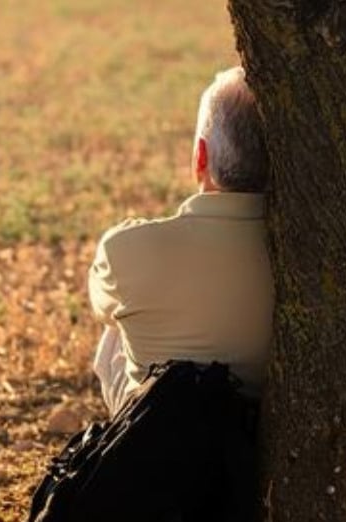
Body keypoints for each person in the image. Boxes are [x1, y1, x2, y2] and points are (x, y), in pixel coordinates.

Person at [89, 66, 274, 416]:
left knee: (116, 329)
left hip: (157, 439)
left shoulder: (125, 249)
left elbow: (101, 307)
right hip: (255, 440)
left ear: (200, 156)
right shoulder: (304, 255)